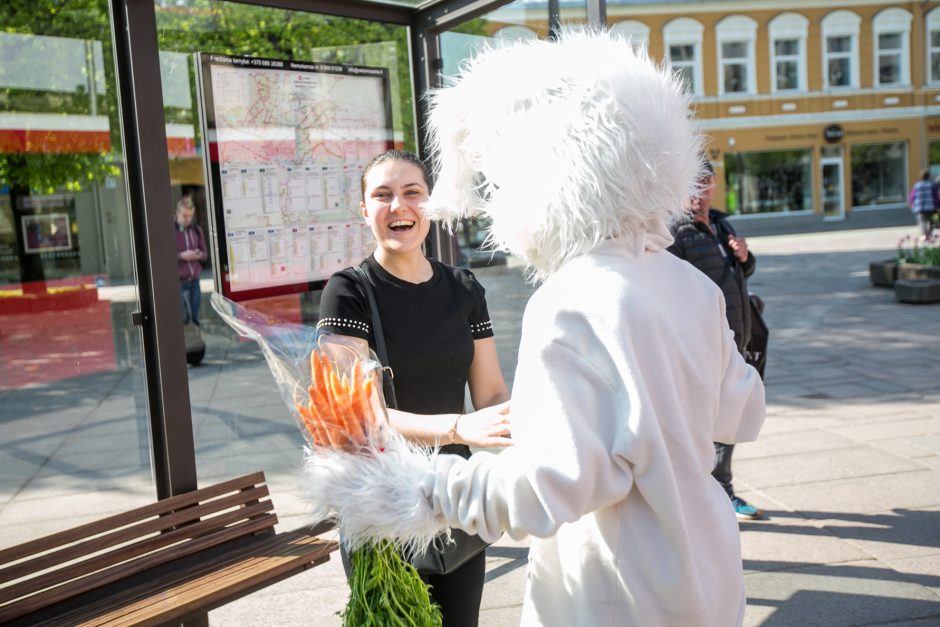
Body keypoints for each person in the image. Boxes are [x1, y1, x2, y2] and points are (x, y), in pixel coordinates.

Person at [307, 30, 766, 626]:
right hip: (706, 568)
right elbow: (742, 412)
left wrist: (418, 489)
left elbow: (550, 487)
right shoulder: (688, 284)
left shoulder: (574, 296)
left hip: (616, 589)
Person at [316, 149, 511, 627]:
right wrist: (461, 428)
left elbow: (490, 396)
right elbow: (361, 417)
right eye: (381, 195)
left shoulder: (464, 288)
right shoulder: (349, 291)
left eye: (411, 193)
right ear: (364, 209)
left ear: (430, 204)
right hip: (382, 504)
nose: (397, 206)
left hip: (454, 497)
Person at [667, 160, 764, 522]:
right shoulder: (674, 232)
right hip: (702, 344)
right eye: (693, 182)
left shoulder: (721, 222)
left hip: (737, 335)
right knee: (708, 422)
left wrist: (744, 257)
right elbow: (671, 290)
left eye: (706, 181)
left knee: (731, 415)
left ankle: (718, 492)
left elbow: (742, 272)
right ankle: (712, 495)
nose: (700, 189)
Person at [174, 196, 207, 326]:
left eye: (190, 216)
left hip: (195, 280)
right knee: (184, 318)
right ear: (177, 213)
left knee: (195, 317)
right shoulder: (169, 230)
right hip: (178, 281)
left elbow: (205, 255)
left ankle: (195, 339)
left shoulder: (196, 230)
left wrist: (198, 255)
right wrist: (181, 256)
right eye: (184, 215)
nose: (187, 219)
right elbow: (163, 257)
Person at [908, 169, 939, 240]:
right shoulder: (932, 185)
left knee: (922, 221)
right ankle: (930, 233)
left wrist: (911, 203)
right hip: (932, 207)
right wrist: (938, 205)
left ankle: (924, 235)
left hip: (920, 208)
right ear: (929, 176)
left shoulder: (917, 185)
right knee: (934, 220)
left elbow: (912, 196)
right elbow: (937, 196)